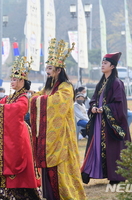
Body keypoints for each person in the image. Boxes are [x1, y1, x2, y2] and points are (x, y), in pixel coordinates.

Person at [29, 38, 86, 199]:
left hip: (62, 135)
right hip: (47, 137)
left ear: (58, 70)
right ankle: (49, 194)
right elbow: (39, 96)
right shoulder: (48, 87)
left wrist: (38, 99)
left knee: (62, 166)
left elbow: (56, 103)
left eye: (50, 68)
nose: (47, 71)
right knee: (47, 165)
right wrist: (33, 96)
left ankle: (63, 194)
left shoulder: (66, 87)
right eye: (46, 67)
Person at [0, 56, 41, 199]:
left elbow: (18, 109)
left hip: (19, 135)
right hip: (10, 134)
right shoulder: (11, 97)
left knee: (20, 160)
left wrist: (1, 107)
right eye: (11, 79)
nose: (12, 82)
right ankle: (6, 191)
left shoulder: (23, 97)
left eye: (15, 79)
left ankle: (23, 191)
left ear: (22, 81)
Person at [80, 52, 132, 185]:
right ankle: (90, 172)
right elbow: (93, 99)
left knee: (112, 148)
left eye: (105, 63)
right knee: (96, 145)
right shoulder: (101, 82)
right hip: (99, 121)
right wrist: (93, 107)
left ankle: (115, 176)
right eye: (102, 63)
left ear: (112, 66)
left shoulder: (116, 83)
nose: (102, 65)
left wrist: (105, 109)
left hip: (110, 123)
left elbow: (119, 104)